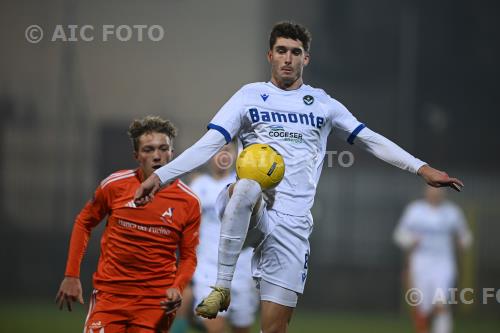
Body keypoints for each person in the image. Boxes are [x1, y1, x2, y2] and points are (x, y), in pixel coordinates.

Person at [134, 22, 464, 333]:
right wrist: (160, 177)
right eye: (281, 50)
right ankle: (222, 286)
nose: (287, 58)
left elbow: (370, 138)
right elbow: (210, 144)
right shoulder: (249, 96)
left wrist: (421, 168)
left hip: (292, 223)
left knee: (274, 326)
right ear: (270, 55)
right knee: (246, 187)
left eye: (295, 51)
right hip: (250, 209)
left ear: (306, 58)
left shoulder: (323, 104)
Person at [56, 116, 201, 333]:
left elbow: (189, 256)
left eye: (163, 148)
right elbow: (83, 223)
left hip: (155, 302)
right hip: (110, 297)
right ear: (136, 156)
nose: (157, 156)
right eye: (148, 150)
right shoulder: (115, 186)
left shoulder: (188, 201)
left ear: (172, 153)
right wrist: (71, 275)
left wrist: (176, 287)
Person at [190, 144, 259, 333]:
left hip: (242, 270)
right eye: (217, 149)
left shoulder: (246, 185)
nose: (222, 154)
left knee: (241, 327)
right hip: (208, 268)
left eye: (228, 149)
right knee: (214, 325)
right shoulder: (197, 186)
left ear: (237, 153)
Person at [394, 186, 472, 333]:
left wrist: (463, 242)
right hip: (421, 262)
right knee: (422, 306)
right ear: (426, 192)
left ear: (444, 194)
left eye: (439, 192)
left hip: (444, 262)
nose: (435, 194)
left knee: (441, 302)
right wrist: (410, 240)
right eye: (432, 191)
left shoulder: (452, 212)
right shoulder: (415, 210)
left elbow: (466, 236)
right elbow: (399, 235)